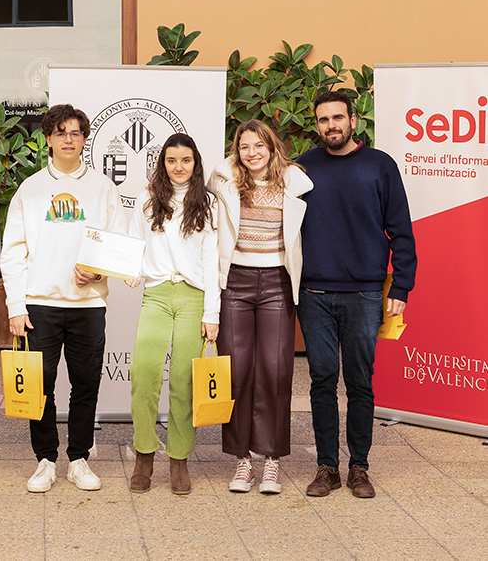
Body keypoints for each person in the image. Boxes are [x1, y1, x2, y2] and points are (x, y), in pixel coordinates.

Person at [0, 103, 126, 493]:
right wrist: (16, 307)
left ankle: (79, 459)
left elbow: (117, 242)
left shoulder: (103, 187)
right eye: (60, 133)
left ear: (85, 139)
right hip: (41, 306)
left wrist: (100, 271)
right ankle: (45, 460)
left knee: (86, 384)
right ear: (48, 139)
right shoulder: (32, 189)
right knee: (41, 386)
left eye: (75, 133)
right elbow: (13, 251)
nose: (68, 139)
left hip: (88, 304)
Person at [297, 90, 416, 499]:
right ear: (317, 124)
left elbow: (401, 230)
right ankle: (327, 466)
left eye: (338, 117)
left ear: (352, 120)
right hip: (313, 292)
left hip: (365, 294)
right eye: (323, 119)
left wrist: (400, 285)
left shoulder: (380, 166)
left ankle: (359, 467)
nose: (331, 125)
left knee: (360, 382)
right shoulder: (303, 167)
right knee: (321, 380)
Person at [207, 120, 313, 495]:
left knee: (276, 370)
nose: (251, 153)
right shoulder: (224, 183)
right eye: (243, 146)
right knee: (236, 371)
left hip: (277, 284)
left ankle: (271, 461)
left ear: (272, 147)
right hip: (233, 283)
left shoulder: (295, 183)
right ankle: (242, 462)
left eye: (258, 146)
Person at [126, 133, 219, 496]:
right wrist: (133, 271)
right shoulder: (148, 202)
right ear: (162, 164)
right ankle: (144, 454)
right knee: (144, 373)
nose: (178, 167)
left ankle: (179, 458)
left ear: (195, 164)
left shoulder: (209, 203)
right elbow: (135, 244)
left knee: (184, 380)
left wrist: (212, 311)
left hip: (194, 298)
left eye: (186, 160)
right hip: (158, 295)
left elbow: (212, 262)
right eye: (171, 160)